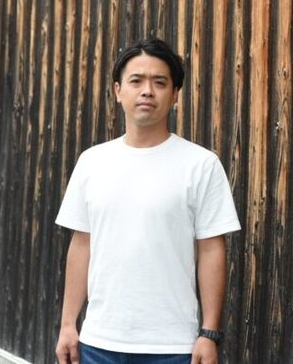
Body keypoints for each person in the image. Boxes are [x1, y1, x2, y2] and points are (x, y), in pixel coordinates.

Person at [54, 38, 241, 364]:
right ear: (118, 91)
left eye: (160, 82)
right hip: (99, 341)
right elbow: (82, 244)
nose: (147, 91)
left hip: (172, 346)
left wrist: (209, 332)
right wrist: (69, 324)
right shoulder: (92, 162)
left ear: (175, 94)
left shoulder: (201, 164)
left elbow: (212, 249)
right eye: (136, 81)